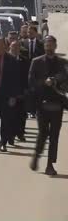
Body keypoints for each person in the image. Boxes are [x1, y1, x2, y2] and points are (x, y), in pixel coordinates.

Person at [29, 35, 68, 176]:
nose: (49, 46)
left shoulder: (63, 63)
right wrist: (44, 82)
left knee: (54, 136)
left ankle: (50, 164)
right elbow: (31, 82)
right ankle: (37, 155)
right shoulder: (36, 62)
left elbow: (66, 82)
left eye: (51, 44)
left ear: (55, 46)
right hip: (42, 105)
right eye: (47, 44)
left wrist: (57, 82)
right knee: (43, 134)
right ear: (44, 46)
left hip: (57, 105)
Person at [9, 39, 29, 142]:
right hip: (9, 92)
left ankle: (20, 133)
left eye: (17, 47)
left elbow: (27, 76)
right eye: (13, 47)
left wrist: (26, 89)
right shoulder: (6, 59)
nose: (15, 49)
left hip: (21, 92)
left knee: (21, 115)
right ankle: (11, 135)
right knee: (10, 115)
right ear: (10, 48)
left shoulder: (24, 60)